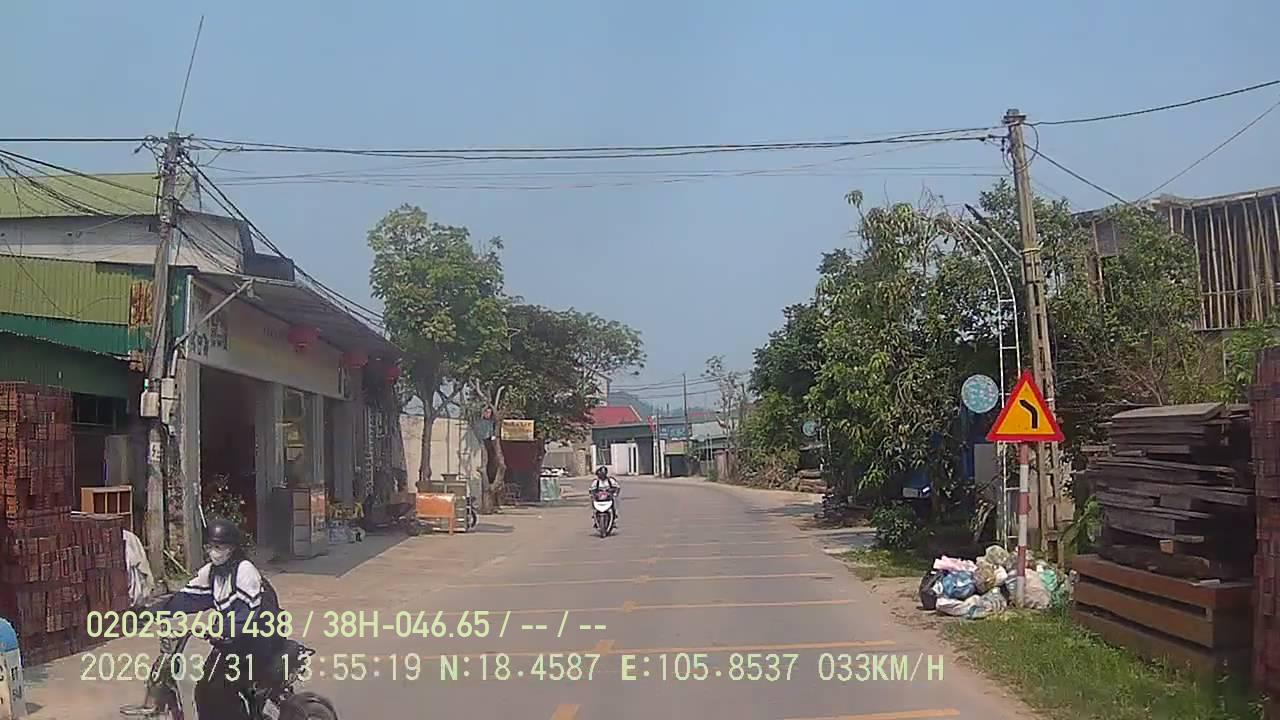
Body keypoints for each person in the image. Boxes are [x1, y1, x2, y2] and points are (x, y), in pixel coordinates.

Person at [162, 518, 283, 720]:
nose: (213, 552)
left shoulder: (245, 571)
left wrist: (221, 629)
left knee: (222, 691)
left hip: (257, 640)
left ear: (232, 548)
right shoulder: (211, 572)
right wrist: (154, 612)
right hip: (231, 641)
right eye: (210, 546)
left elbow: (246, 614)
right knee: (203, 689)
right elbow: (188, 598)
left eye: (218, 547)